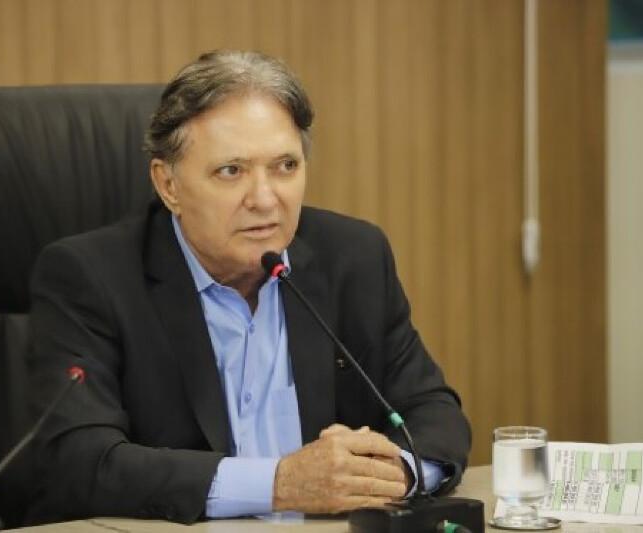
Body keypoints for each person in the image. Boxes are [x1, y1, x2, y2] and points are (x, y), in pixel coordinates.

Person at [24, 50, 470, 525]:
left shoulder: (353, 257)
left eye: (285, 166)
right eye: (231, 171)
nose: (264, 199)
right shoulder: (90, 277)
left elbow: (433, 413)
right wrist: (280, 484)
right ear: (168, 184)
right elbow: (82, 461)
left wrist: (396, 473)